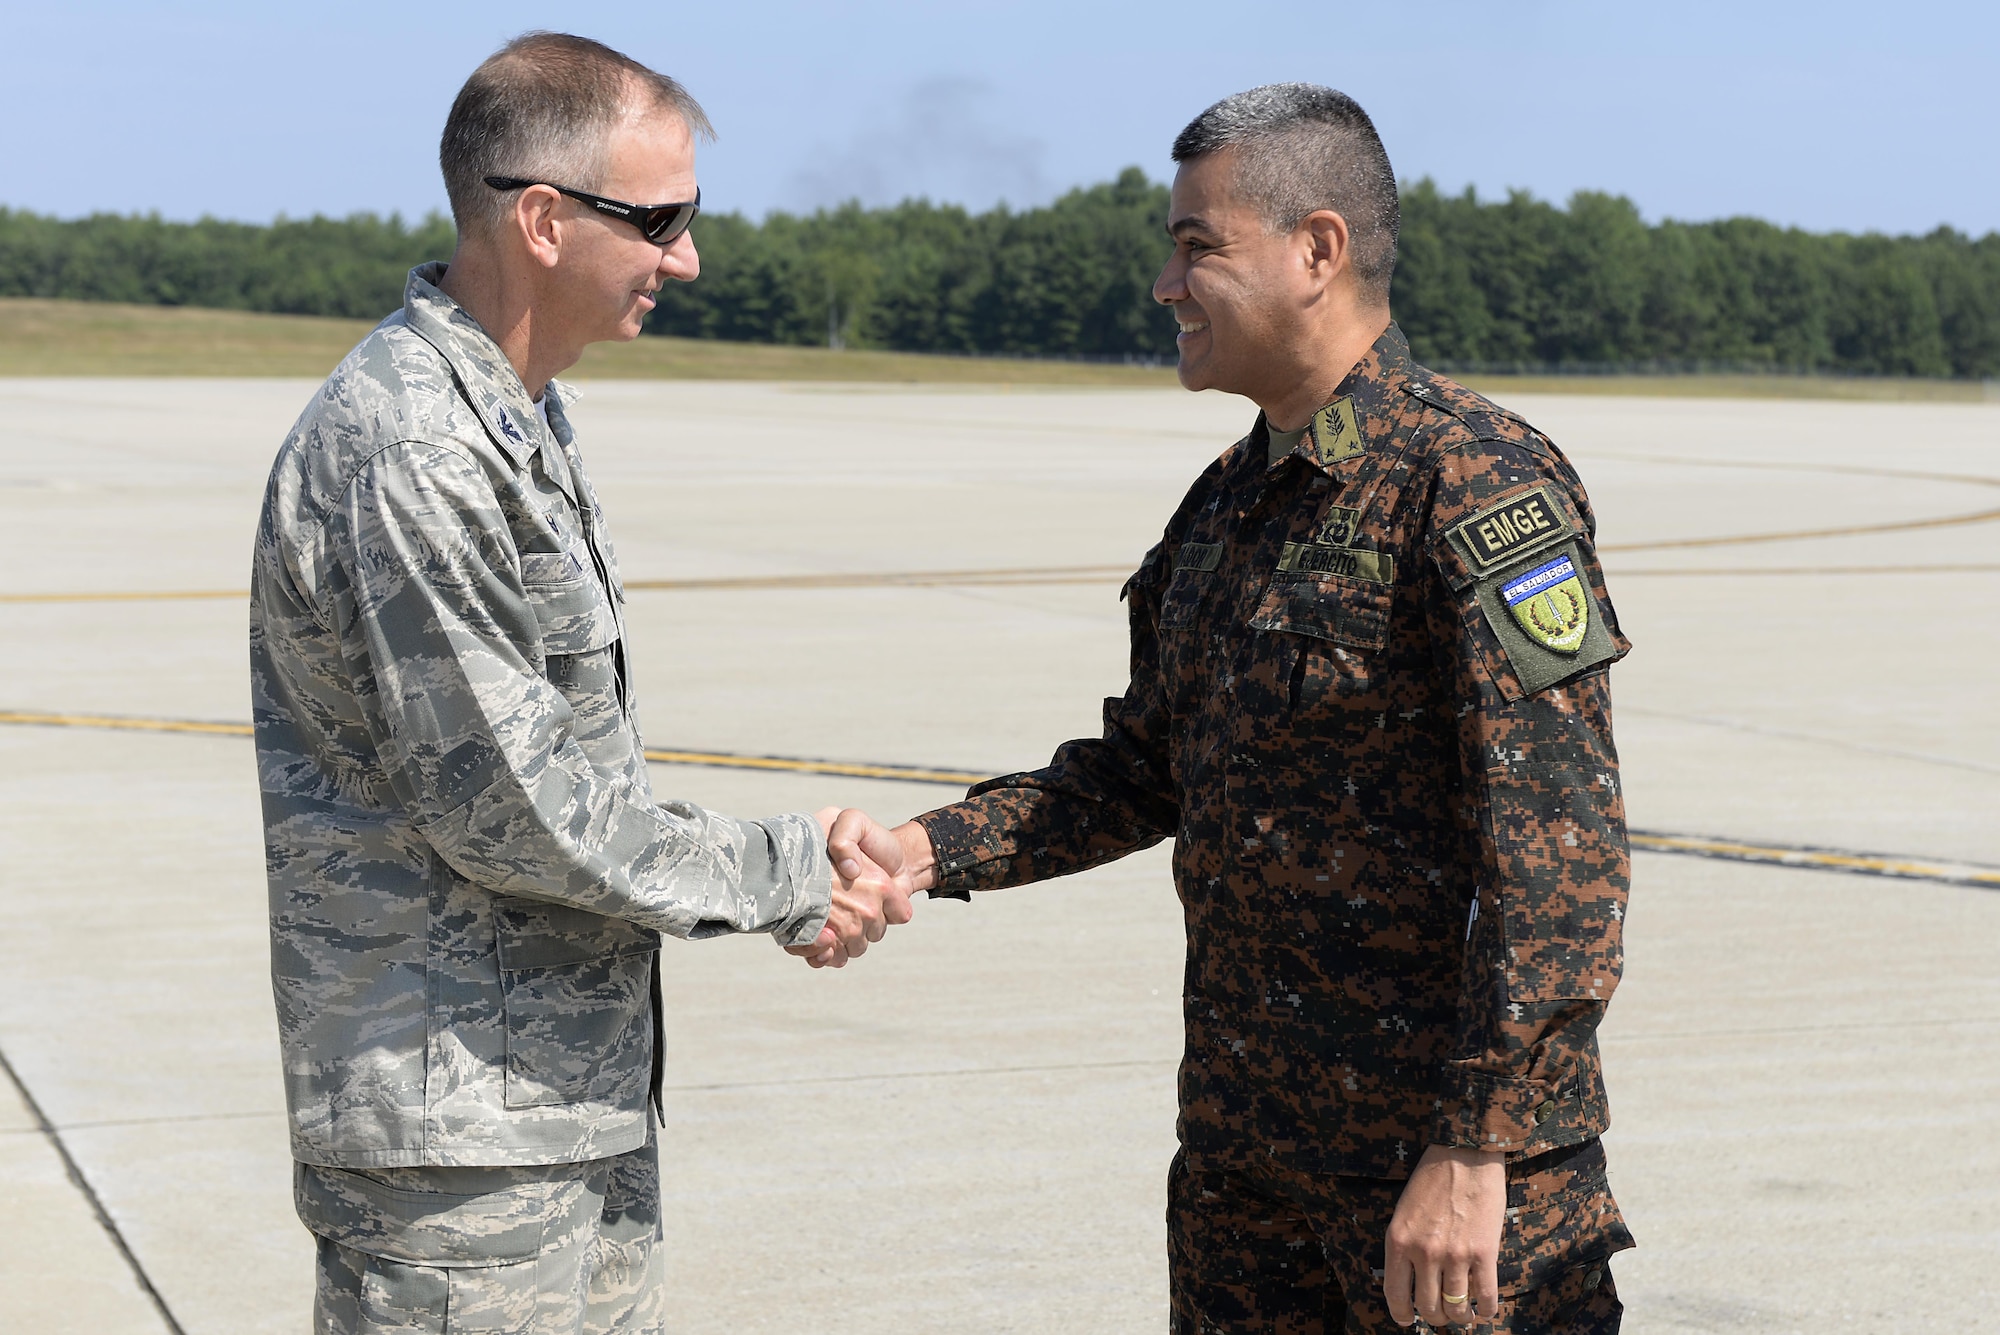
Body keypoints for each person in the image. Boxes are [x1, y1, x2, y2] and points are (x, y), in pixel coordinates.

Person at [813, 85, 1636, 1332]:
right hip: (1247, 1173)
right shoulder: (1223, 507)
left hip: (1441, 1194)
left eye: (1197, 245)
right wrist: (926, 851)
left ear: (1317, 250)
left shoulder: (1473, 482)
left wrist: (1476, 1149)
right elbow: (1139, 770)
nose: (1165, 284)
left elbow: (1559, 859)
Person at [249, 33, 906, 1334]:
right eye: (659, 220)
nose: (687, 257)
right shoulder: (417, 440)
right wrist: (792, 869)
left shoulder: (519, 408)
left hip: (554, 1094)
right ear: (542, 219)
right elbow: (513, 802)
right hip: (459, 1144)